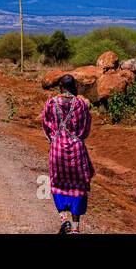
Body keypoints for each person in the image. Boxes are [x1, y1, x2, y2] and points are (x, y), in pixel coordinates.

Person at [41, 73, 94, 234]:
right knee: (79, 186)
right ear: (74, 87)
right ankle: (76, 228)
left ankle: (64, 220)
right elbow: (86, 126)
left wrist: (54, 138)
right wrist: (77, 138)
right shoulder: (81, 104)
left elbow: (46, 123)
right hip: (77, 150)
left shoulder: (51, 103)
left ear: (60, 87)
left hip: (57, 150)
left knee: (58, 184)